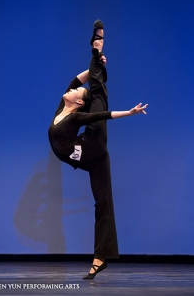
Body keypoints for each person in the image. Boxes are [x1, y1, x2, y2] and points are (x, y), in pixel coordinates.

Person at [48, 20, 148, 279]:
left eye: (76, 91)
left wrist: (131, 112)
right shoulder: (63, 106)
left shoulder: (77, 117)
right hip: (91, 158)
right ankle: (100, 258)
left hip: (92, 144)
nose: (70, 90)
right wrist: (94, 68)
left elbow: (105, 114)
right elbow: (76, 80)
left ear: (79, 101)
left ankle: (95, 47)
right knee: (102, 203)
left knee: (99, 92)